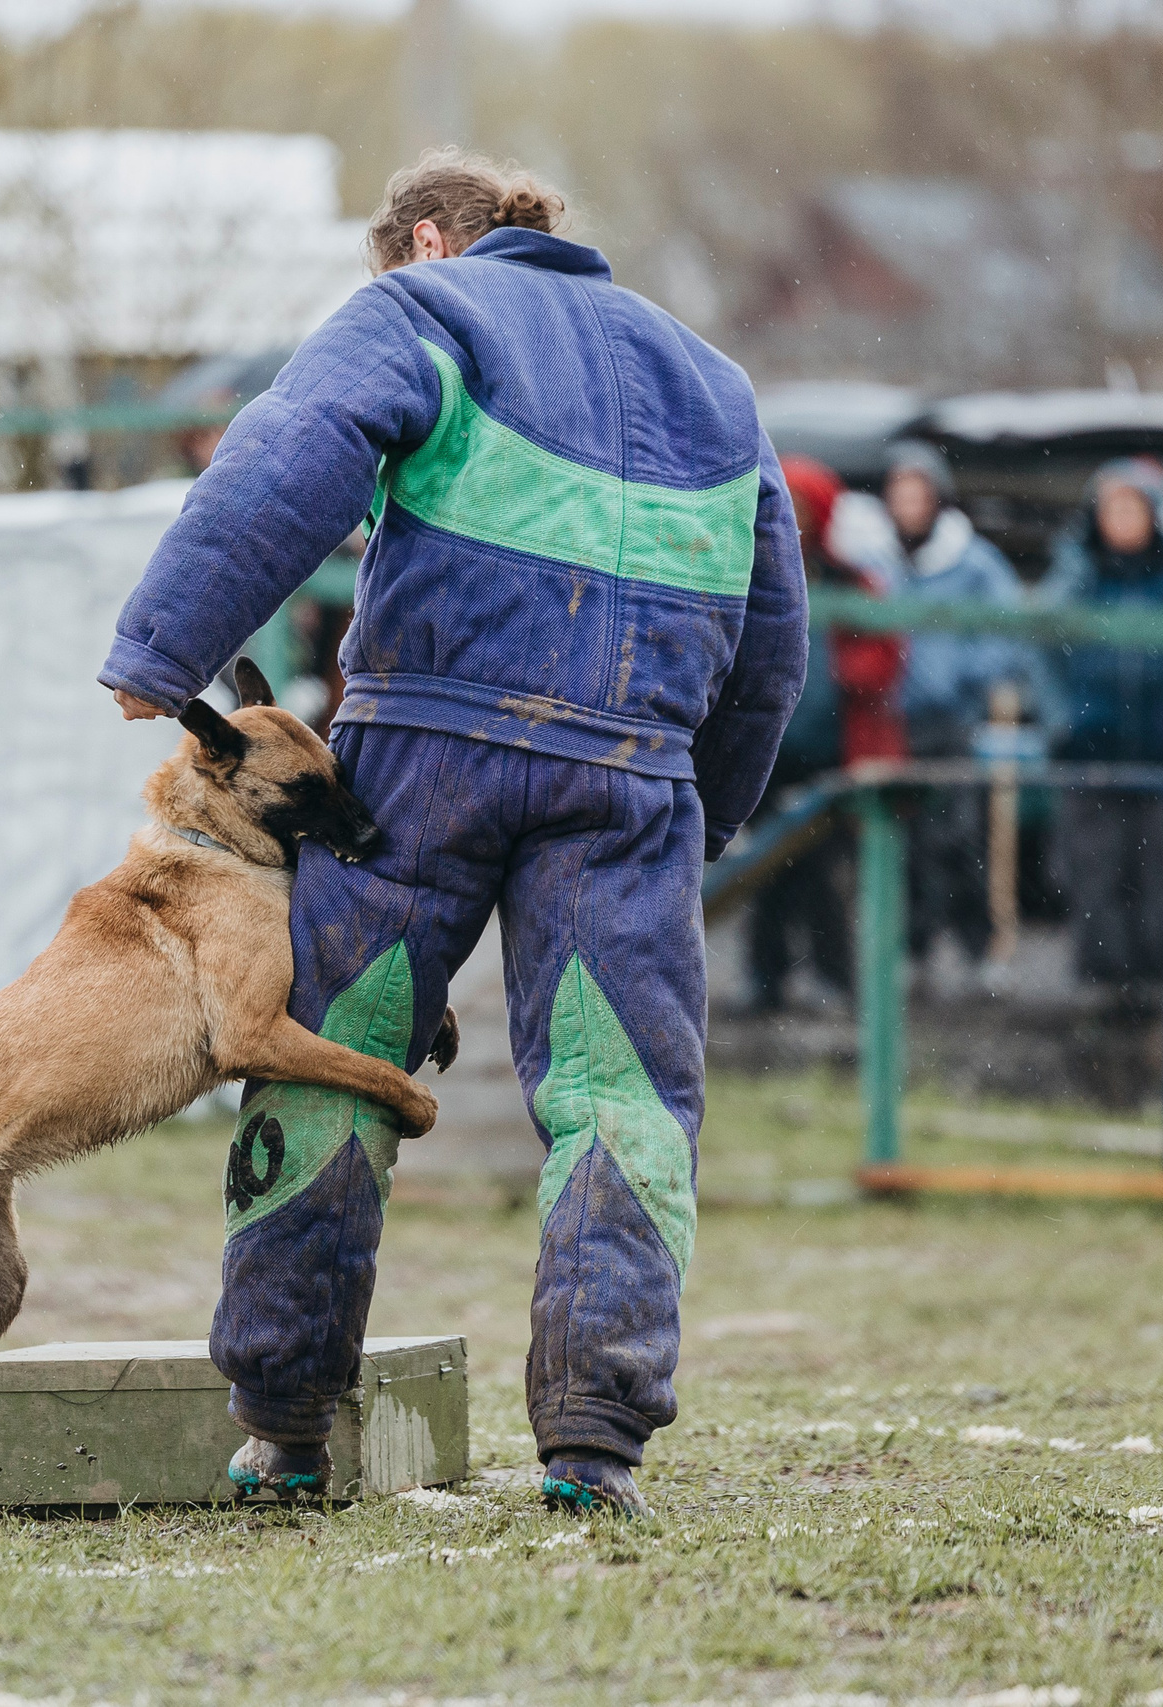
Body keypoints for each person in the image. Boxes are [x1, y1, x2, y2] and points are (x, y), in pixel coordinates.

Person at [98, 149, 806, 1517]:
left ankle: (287, 1421)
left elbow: (293, 445)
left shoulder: (427, 311)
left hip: (420, 752)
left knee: (337, 1056)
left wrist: (164, 646)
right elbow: (773, 632)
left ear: (427, 238)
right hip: (634, 773)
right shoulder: (717, 385)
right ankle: (596, 1445)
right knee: (618, 1099)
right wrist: (709, 801)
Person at [1041, 455, 1163, 1004]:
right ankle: (1101, 994)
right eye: (1112, 507)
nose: (1122, 519)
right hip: (1091, 752)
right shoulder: (1076, 577)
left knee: (1161, 877)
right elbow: (1039, 645)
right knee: (1094, 872)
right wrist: (1061, 719)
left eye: (1133, 507)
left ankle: (1162, 990)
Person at [867, 440, 1032, 994]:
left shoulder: (974, 563)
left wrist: (959, 675)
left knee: (959, 841)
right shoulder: (876, 561)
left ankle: (980, 950)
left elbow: (1007, 634)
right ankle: (913, 954)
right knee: (902, 846)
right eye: (899, 494)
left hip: (951, 723)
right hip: (891, 725)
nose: (908, 506)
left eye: (918, 494)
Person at [746, 456, 906, 1014]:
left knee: (825, 877)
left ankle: (835, 981)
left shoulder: (849, 581)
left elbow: (885, 655)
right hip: (765, 753)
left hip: (829, 755)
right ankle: (767, 983)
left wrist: (837, 670)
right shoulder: (750, 571)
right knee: (764, 876)